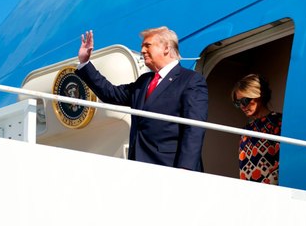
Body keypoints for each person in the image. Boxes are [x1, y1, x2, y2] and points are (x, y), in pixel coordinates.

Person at [75, 26, 208, 171]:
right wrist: (85, 63)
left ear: (166, 48)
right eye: (142, 47)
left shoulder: (191, 80)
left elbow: (194, 127)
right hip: (139, 166)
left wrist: (186, 169)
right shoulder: (144, 81)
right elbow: (111, 94)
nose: (143, 50)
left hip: (170, 167)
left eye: (147, 45)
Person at [231, 74, 282, 185]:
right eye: (237, 103)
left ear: (259, 96)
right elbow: (243, 169)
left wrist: (263, 190)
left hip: (271, 194)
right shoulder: (245, 131)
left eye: (245, 101)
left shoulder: (278, 122)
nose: (242, 106)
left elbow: (282, 164)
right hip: (249, 194)